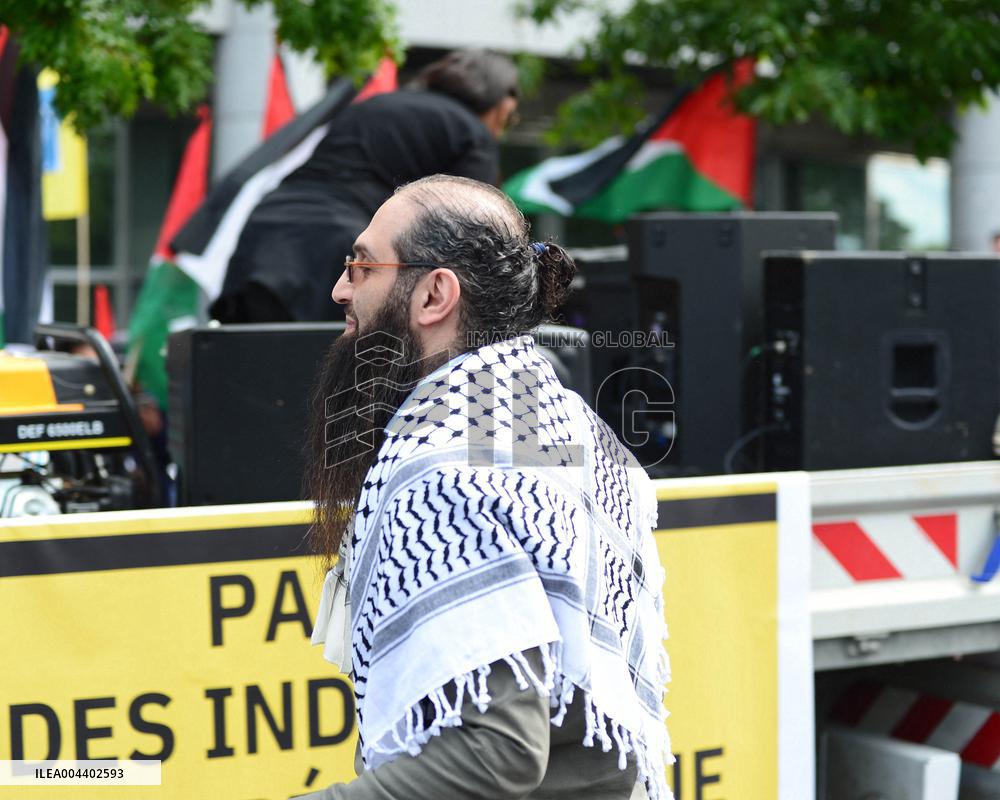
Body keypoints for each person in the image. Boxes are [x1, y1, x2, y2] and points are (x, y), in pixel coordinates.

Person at [297, 174, 671, 800]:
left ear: (434, 294)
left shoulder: (442, 470)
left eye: (360, 266)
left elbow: (496, 754)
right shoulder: (560, 419)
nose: (340, 290)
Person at [211, 49, 520, 324]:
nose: (502, 130)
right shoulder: (470, 132)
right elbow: (477, 229)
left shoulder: (376, 104)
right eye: (506, 118)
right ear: (495, 104)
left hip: (266, 227)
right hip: (336, 243)